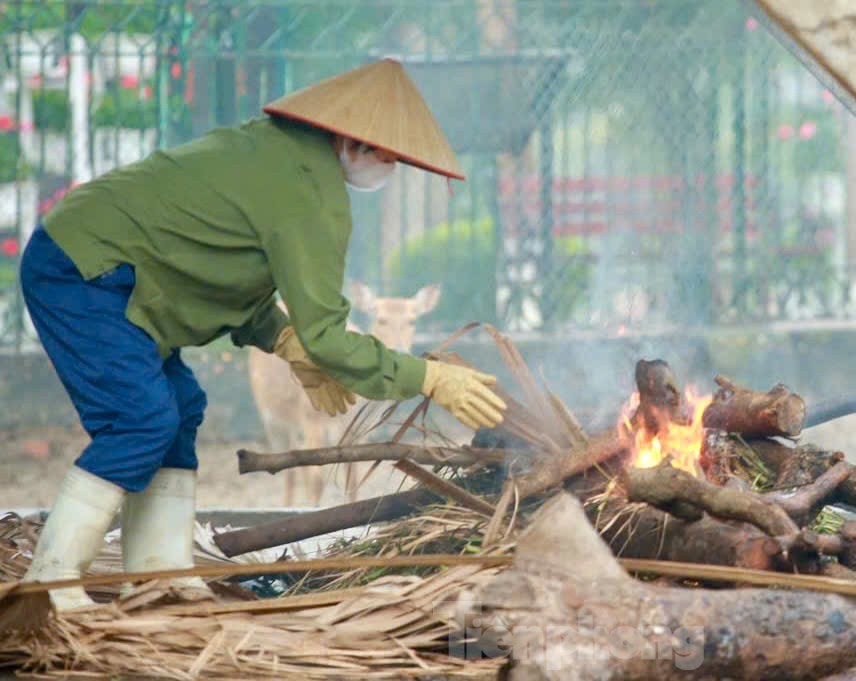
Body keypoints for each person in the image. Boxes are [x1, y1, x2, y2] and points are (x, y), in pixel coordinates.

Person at [18, 59, 507, 611]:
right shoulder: (307, 191)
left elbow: (225, 270)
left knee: (178, 408)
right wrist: (427, 376)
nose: (390, 168)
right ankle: (50, 584)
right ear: (351, 140)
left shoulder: (275, 150)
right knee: (141, 417)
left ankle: (159, 575)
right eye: (387, 154)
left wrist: (286, 342)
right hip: (82, 267)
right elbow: (327, 334)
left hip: (112, 266)